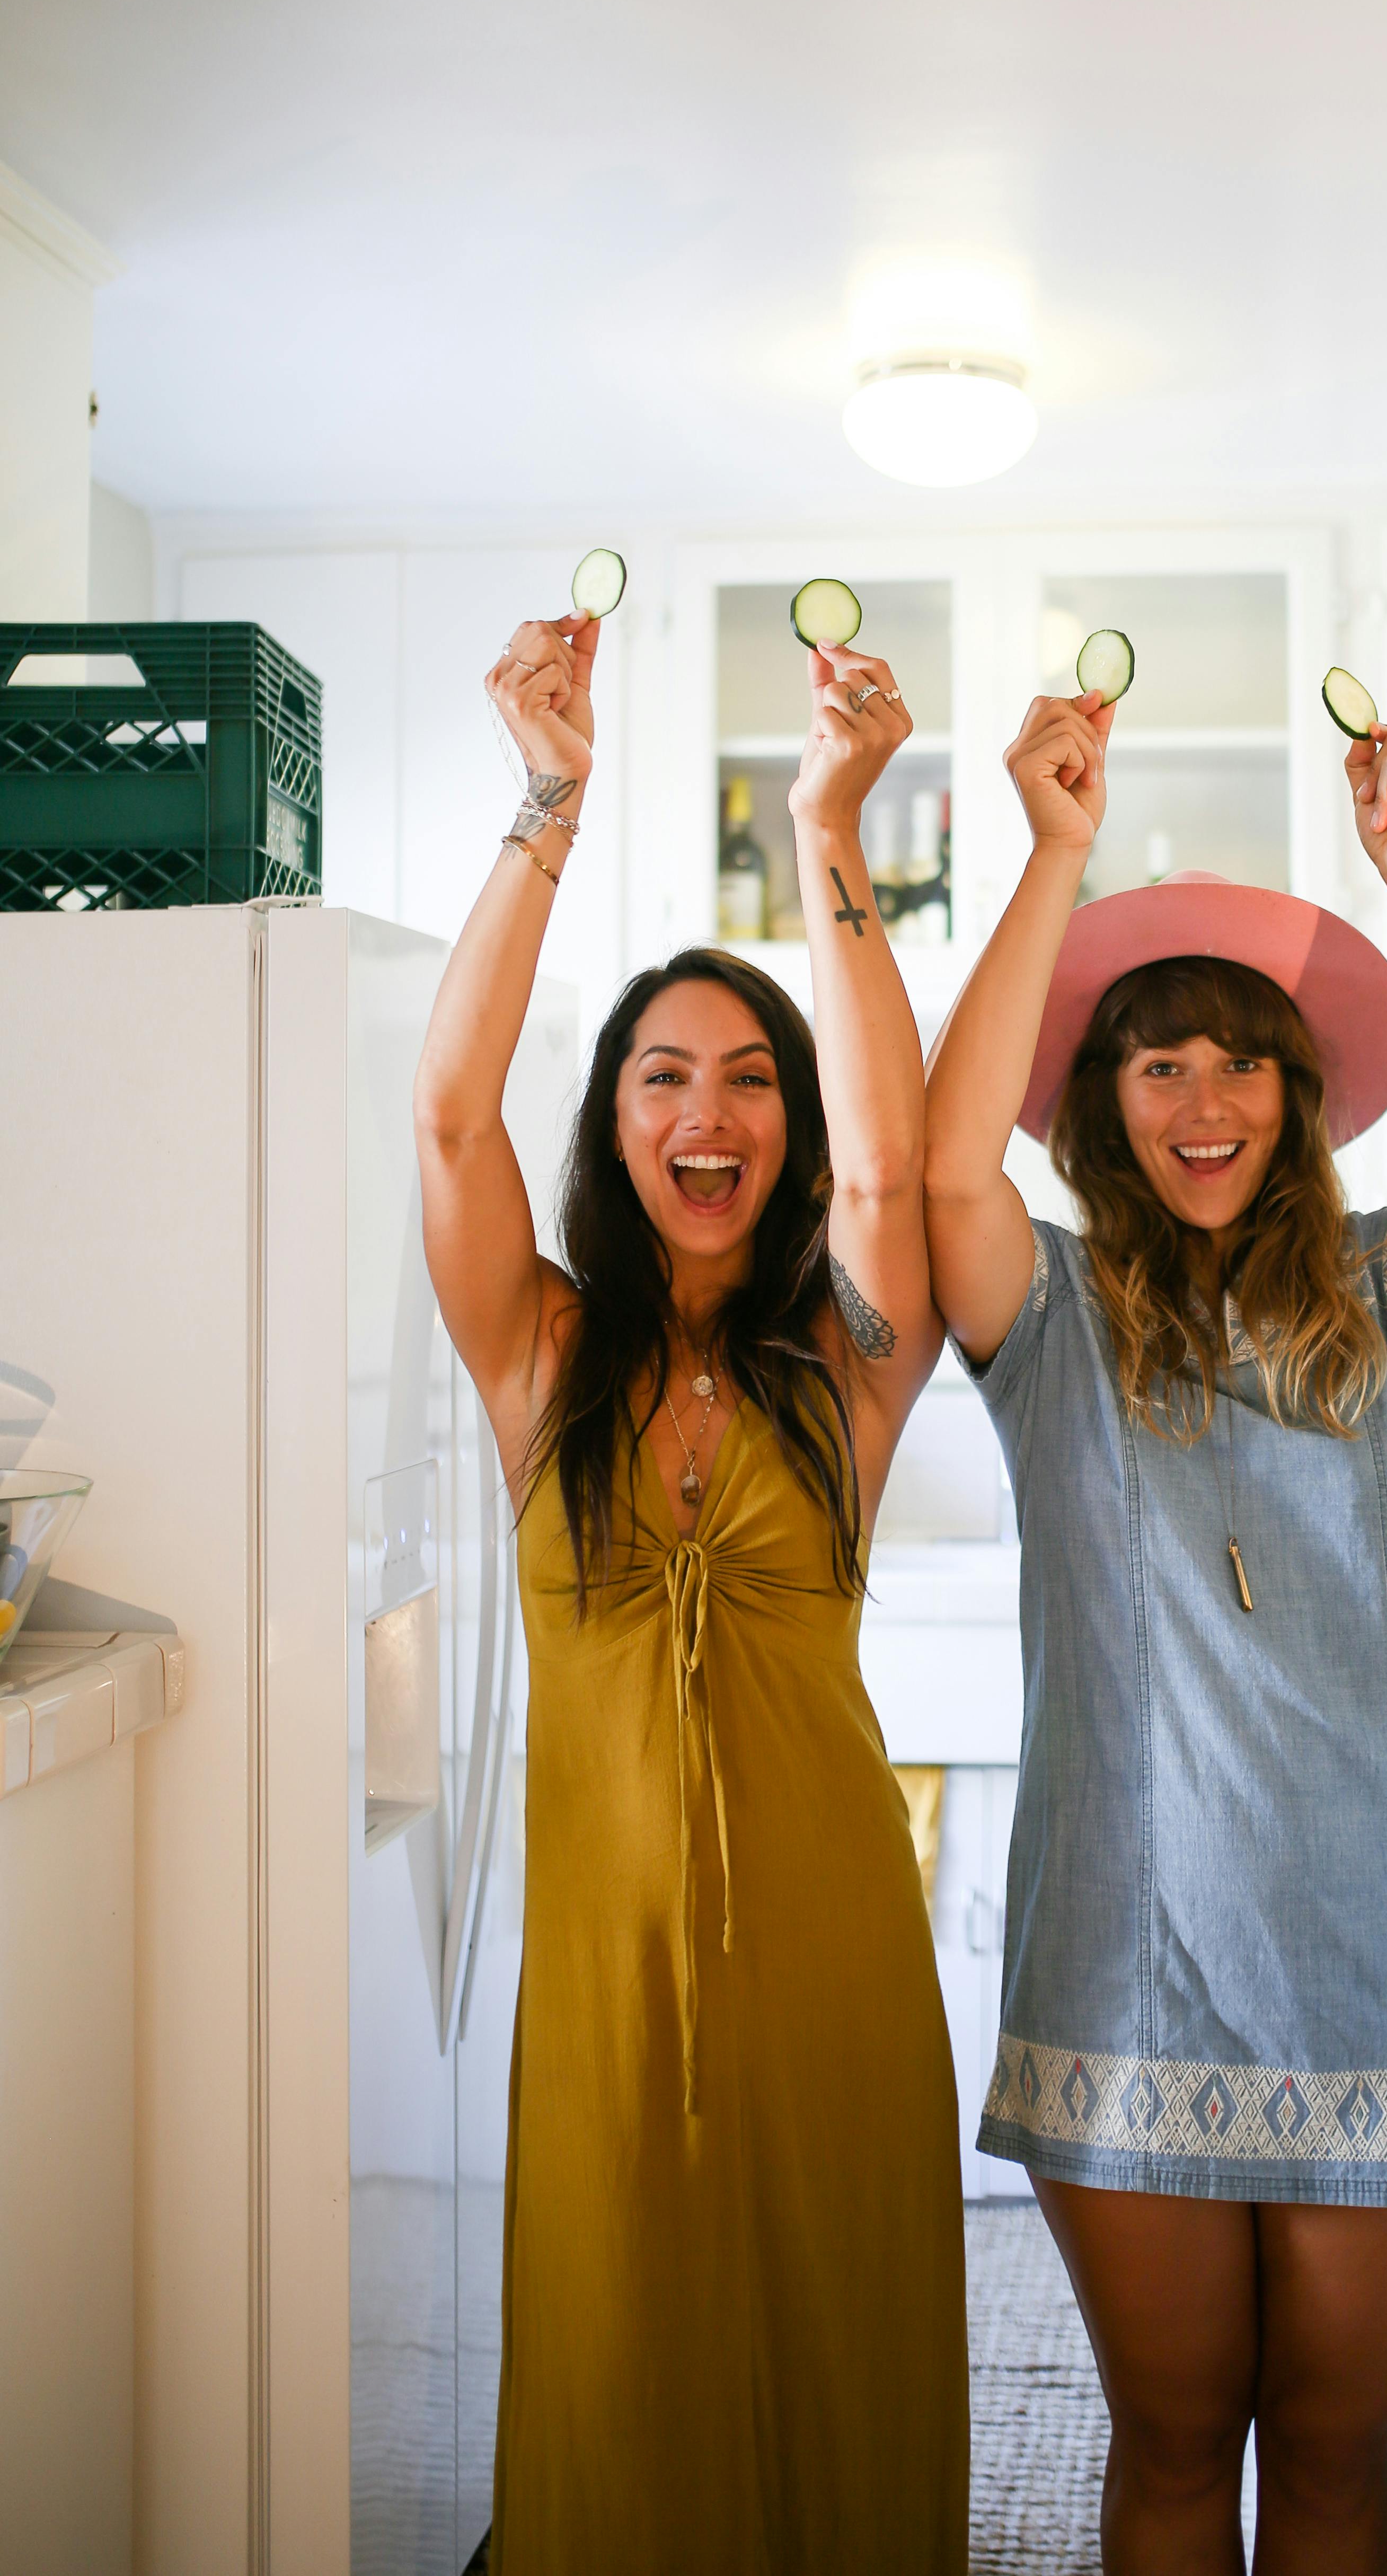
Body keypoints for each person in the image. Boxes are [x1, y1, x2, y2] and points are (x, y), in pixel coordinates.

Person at [922, 688, 1387, 2575]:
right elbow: (945, 1172)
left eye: (1239, 1063)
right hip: (1125, 1965)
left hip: (1377, 1958)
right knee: (1166, 2440)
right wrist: (1054, 856)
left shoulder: (1378, 1288)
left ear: (1295, 1093)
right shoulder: (1039, 1313)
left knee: (1332, 2452)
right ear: (1098, 1104)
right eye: (1154, 1066)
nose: (1200, 1100)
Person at [414, 605, 968, 2572]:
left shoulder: (848, 1372)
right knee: (615, 2369)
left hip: (834, 1971)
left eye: (748, 1079)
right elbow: (446, 1113)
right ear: (620, 1121)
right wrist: (545, 804)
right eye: (663, 1078)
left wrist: (833, 817)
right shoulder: (539, 1358)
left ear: (789, 1132)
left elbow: (907, 1178)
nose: (707, 1112)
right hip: (601, 1997)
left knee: (839, 2361)